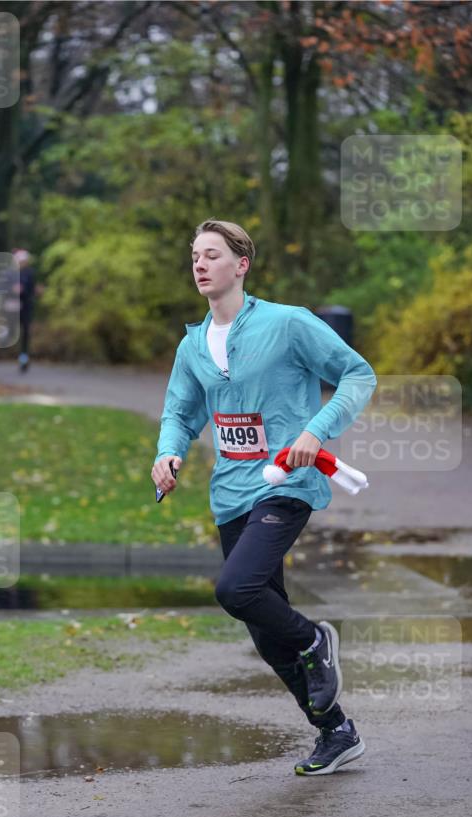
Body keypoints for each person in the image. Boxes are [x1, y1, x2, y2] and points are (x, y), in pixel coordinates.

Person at [151, 219, 377, 776]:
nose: (199, 264)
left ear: (241, 264)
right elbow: (180, 411)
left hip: (286, 482)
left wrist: (315, 430)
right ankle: (336, 731)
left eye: (211, 254)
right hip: (231, 494)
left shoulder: (288, 324)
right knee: (265, 630)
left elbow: (357, 374)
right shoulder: (192, 344)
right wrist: (168, 452)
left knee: (236, 588)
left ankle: (316, 639)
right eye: (194, 256)